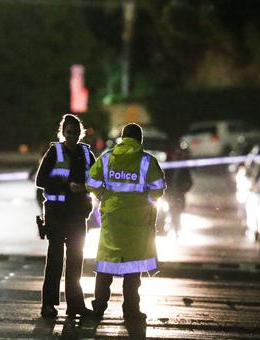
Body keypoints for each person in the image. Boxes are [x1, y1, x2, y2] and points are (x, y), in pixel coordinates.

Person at [86, 123, 166, 320]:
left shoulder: (108, 158)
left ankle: (99, 307)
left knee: (106, 263)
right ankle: (130, 310)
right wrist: (146, 201)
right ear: (140, 140)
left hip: (112, 217)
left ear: (122, 138)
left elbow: (91, 182)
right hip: (137, 220)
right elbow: (158, 188)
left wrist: (104, 194)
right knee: (132, 267)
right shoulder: (147, 161)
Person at [35, 114, 95, 319]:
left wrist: (85, 188)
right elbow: (40, 180)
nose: (72, 136)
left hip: (78, 214)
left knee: (76, 260)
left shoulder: (86, 154)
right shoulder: (55, 152)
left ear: (80, 133)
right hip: (57, 212)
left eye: (76, 132)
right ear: (63, 132)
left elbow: (96, 179)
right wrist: (67, 186)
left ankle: (75, 305)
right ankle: (48, 305)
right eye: (68, 132)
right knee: (55, 260)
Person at [163, 163, 192, 237]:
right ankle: (173, 227)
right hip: (170, 195)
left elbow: (189, 182)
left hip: (179, 195)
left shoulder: (183, 169)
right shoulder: (168, 169)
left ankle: (175, 228)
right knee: (171, 211)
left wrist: (183, 189)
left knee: (177, 212)